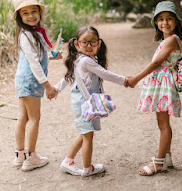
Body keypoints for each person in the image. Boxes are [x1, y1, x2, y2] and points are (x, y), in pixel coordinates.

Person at [54, 26, 128, 177]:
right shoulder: (85, 61)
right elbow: (105, 74)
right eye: (84, 42)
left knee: (84, 134)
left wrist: (56, 89)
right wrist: (125, 81)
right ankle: (87, 169)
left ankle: (68, 161)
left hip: (84, 103)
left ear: (98, 43)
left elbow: (68, 77)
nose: (89, 45)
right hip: (83, 103)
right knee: (88, 136)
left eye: (92, 42)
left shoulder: (81, 60)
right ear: (77, 44)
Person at [127, 1, 182, 176]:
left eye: (169, 19)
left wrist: (137, 78)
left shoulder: (173, 40)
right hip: (161, 84)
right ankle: (166, 158)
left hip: (163, 86)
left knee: (163, 124)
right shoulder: (168, 39)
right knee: (163, 124)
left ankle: (158, 163)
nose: (164, 23)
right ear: (156, 23)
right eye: (160, 19)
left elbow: (157, 62)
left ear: (176, 22)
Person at [12, 0, 61, 171]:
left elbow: (36, 57)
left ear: (39, 13)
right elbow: (33, 63)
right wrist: (47, 85)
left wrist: (51, 56)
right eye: (25, 13)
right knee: (34, 118)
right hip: (31, 80)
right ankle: (31, 157)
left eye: (34, 11)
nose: (31, 15)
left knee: (23, 117)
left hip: (23, 79)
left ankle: (20, 155)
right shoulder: (26, 35)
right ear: (19, 17)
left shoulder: (32, 33)